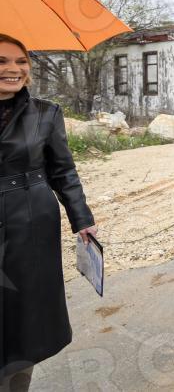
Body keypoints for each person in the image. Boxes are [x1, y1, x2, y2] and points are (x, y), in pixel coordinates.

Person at [0, 34, 97, 392]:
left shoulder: (46, 112)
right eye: (2, 61)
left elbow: (63, 171)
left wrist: (82, 219)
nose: (13, 69)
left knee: (25, 315)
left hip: (32, 222)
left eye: (20, 61)